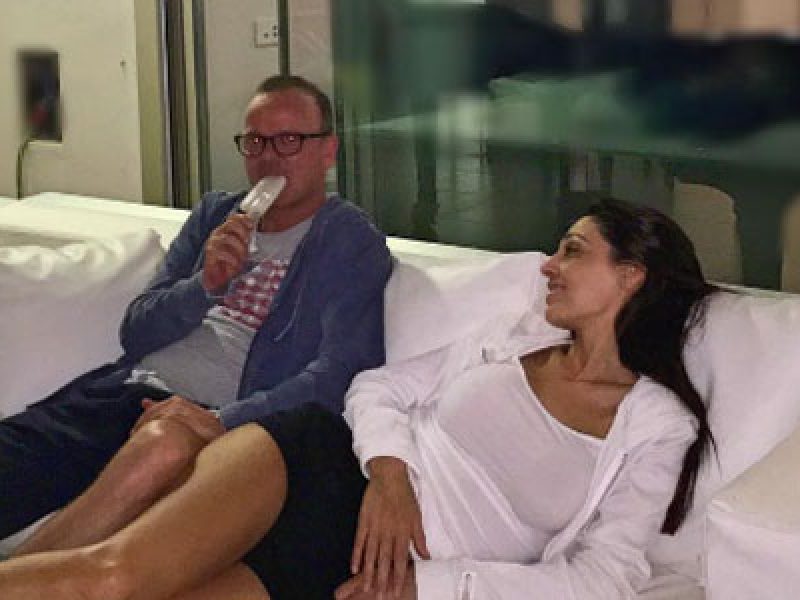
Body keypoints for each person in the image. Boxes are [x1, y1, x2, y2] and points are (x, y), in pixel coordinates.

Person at [0, 197, 715, 599]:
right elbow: (377, 387)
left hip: (359, 565)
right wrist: (391, 476)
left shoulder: (655, 423)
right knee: (115, 576)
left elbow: (607, 575)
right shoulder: (518, 337)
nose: (549, 266)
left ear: (632, 276)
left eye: (573, 250)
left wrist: (426, 585)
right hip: (314, 464)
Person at [0, 74, 392, 551]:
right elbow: (136, 330)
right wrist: (204, 284)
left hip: (204, 425)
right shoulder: (215, 214)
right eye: (255, 141)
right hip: (121, 395)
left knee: (128, 499)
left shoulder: (347, 239)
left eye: (289, 140)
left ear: (327, 151)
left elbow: (338, 374)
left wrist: (223, 419)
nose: (269, 156)